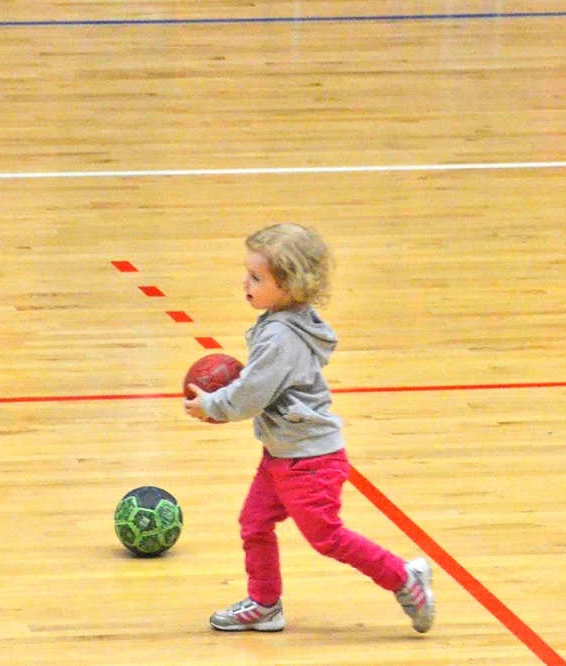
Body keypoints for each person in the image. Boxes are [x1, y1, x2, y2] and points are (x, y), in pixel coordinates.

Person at [183, 223, 435, 633]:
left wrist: (211, 406)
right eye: (247, 273)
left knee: (328, 538)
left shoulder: (281, 337)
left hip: (309, 461)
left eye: (256, 277)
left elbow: (251, 394)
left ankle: (405, 578)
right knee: (254, 522)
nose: (244, 282)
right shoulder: (286, 319)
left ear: (289, 285)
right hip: (283, 453)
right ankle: (265, 603)